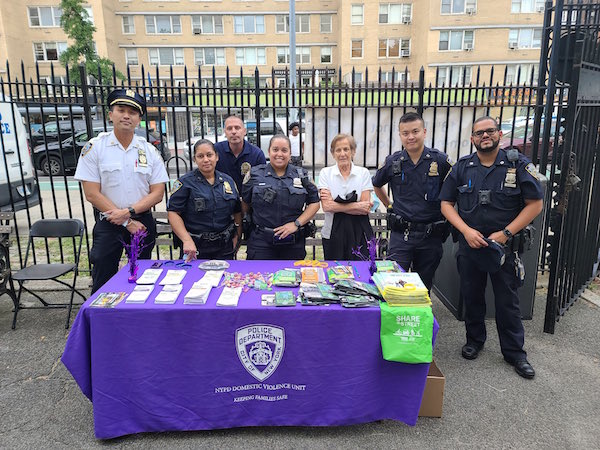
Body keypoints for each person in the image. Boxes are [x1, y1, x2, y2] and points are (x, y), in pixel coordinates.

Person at [439, 116, 544, 379]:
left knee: (507, 302)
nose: (485, 136)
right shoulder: (463, 167)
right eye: (479, 133)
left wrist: (507, 233)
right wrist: (465, 230)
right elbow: (446, 204)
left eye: (490, 131)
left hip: (503, 247)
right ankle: (475, 341)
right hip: (470, 244)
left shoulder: (516, 165)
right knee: (472, 296)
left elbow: (535, 204)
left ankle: (515, 353)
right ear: (472, 138)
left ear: (499, 134)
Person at [74, 88, 169, 293]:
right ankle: (101, 319)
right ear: (110, 114)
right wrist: (126, 221)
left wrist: (129, 214)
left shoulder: (149, 151)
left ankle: (138, 319)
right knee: (103, 276)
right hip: (109, 223)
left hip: (141, 222)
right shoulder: (95, 148)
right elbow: (91, 193)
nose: (126, 115)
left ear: (139, 119)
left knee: (142, 278)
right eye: (121, 109)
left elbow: (157, 192)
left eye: (133, 112)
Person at [372, 112, 452, 290]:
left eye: (415, 131)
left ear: (424, 132)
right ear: (400, 135)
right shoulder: (393, 162)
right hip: (402, 235)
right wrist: (389, 205)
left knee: (423, 287)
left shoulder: (440, 160)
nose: (410, 137)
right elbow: (377, 184)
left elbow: (453, 189)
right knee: (394, 285)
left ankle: (420, 318)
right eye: (405, 133)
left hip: (431, 236)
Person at [241, 135, 320, 260]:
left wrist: (296, 224)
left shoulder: (302, 175)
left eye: (284, 150)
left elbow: (315, 203)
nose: (279, 154)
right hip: (261, 242)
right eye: (275, 149)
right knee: (260, 277)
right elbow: (245, 203)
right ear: (269, 151)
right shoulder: (254, 174)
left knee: (292, 278)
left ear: (290, 153)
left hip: (292, 242)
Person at [167, 139, 242, 261]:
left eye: (209, 155)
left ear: (216, 157)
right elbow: (173, 213)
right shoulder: (184, 183)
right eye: (200, 156)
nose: (206, 160)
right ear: (194, 159)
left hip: (224, 246)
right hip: (195, 246)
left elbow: (237, 210)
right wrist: (186, 240)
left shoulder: (228, 181)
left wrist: (237, 235)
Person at [318, 134, 374, 260]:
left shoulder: (363, 173)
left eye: (346, 149)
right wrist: (356, 205)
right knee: (335, 273)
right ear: (333, 153)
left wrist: (336, 205)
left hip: (360, 232)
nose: (342, 153)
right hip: (332, 233)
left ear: (353, 151)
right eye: (338, 150)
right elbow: (326, 206)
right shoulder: (326, 173)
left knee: (360, 271)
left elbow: (365, 208)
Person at [215, 115, 266, 193]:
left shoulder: (257, 154)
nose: (233, 132)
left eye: (237, 128)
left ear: (244, 131)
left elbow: (261, 183)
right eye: (229, 128)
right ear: (225, 132)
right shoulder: (216, 151)